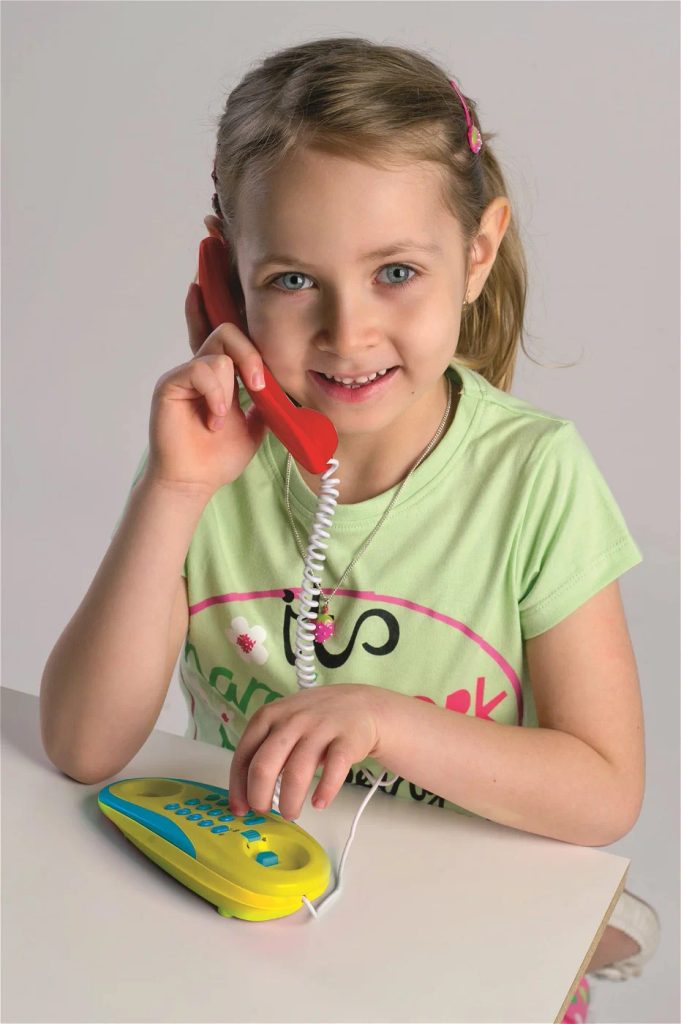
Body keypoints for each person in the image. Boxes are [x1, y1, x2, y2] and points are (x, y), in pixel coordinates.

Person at [39, 37, 659, 1018]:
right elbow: (82, 746)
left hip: (468, 955)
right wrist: (174, 488)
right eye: (292, 280)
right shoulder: (210, 466)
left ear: (477, 254)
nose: (348, 331)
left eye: (396, 271)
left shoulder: (534, 475)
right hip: (264, 940)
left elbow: (603, 791)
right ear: (225, 275)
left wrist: (383, 721)